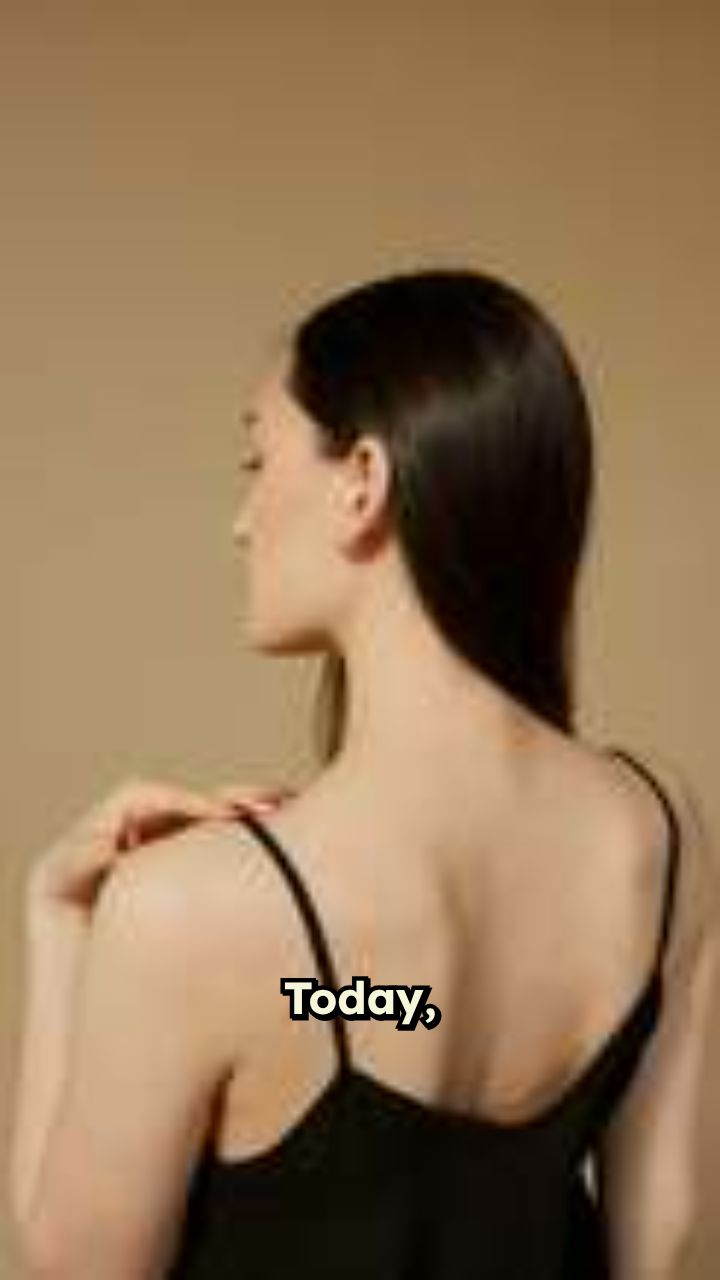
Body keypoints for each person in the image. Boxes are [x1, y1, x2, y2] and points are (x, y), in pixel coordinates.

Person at [13, 269, 719, 1278]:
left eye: (256, 461)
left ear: (363, 481)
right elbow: (664, 1235)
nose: (240, 520)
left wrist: (57, 921)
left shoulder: (197, 911)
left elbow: (75, 1270)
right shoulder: (661, 829)